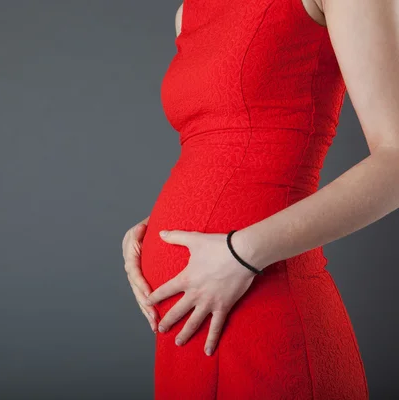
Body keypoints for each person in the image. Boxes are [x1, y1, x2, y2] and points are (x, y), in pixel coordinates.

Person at [121, 0, 399, 398]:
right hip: (185, 323)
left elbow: (397, 159)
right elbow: (218, 150)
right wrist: (151, 233)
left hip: (265, 301)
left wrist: (241, 252)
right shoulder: (190, 12)